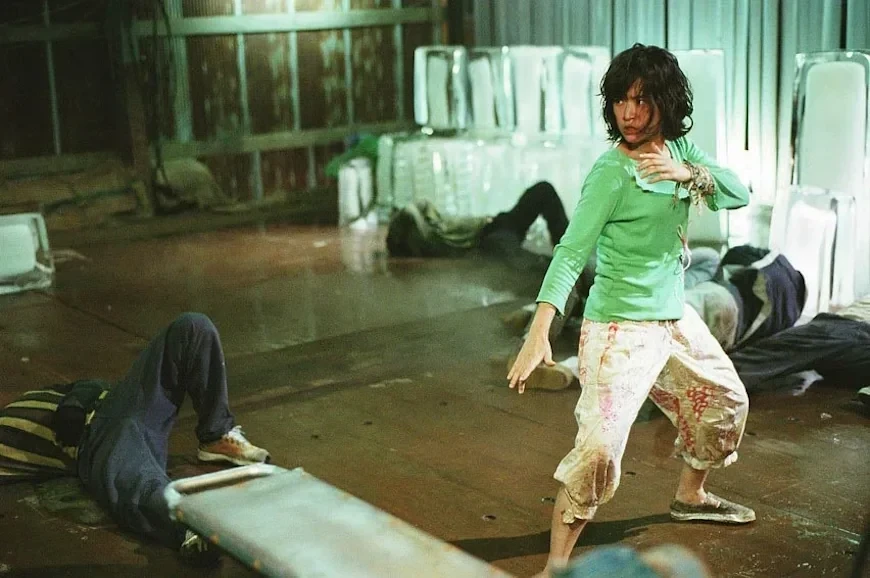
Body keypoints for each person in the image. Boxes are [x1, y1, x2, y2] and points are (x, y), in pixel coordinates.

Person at [506, 44, 755, 576]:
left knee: (726, 400)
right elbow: (570, 253)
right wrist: (539, 331)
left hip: (674, 316)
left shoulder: (680, 149)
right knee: (597, 452)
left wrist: (686, 172)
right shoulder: (610, 173)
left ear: (666, 101)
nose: (630, 113)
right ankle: (555, 567)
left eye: (642, 100)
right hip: (618, 326)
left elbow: (740, 192)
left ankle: (691, 496)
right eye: (621, 100)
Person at [0, 312, 269, 566]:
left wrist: (74, 403)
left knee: (192, 327)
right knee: (136, 483)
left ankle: (215, 436)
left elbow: (83, 384)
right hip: (95, 444)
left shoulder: (19, 404)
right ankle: (188, 527)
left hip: (120, 401)